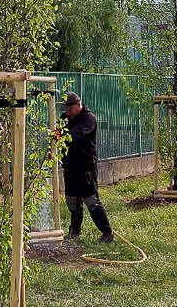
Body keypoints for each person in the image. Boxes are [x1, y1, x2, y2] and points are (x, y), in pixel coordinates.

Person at [60, 91, 114, 242]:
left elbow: (74, 135)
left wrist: (59, 136)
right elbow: (59, 133)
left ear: (78, 105)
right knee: (72, 201)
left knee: (91, 200)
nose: (67, 112)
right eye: (66, 109)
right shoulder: (65, 117)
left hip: (85, 167)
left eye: (70, 109)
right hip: (70, 166)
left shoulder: (89, 118)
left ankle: (107, 233)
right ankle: (74, 231)